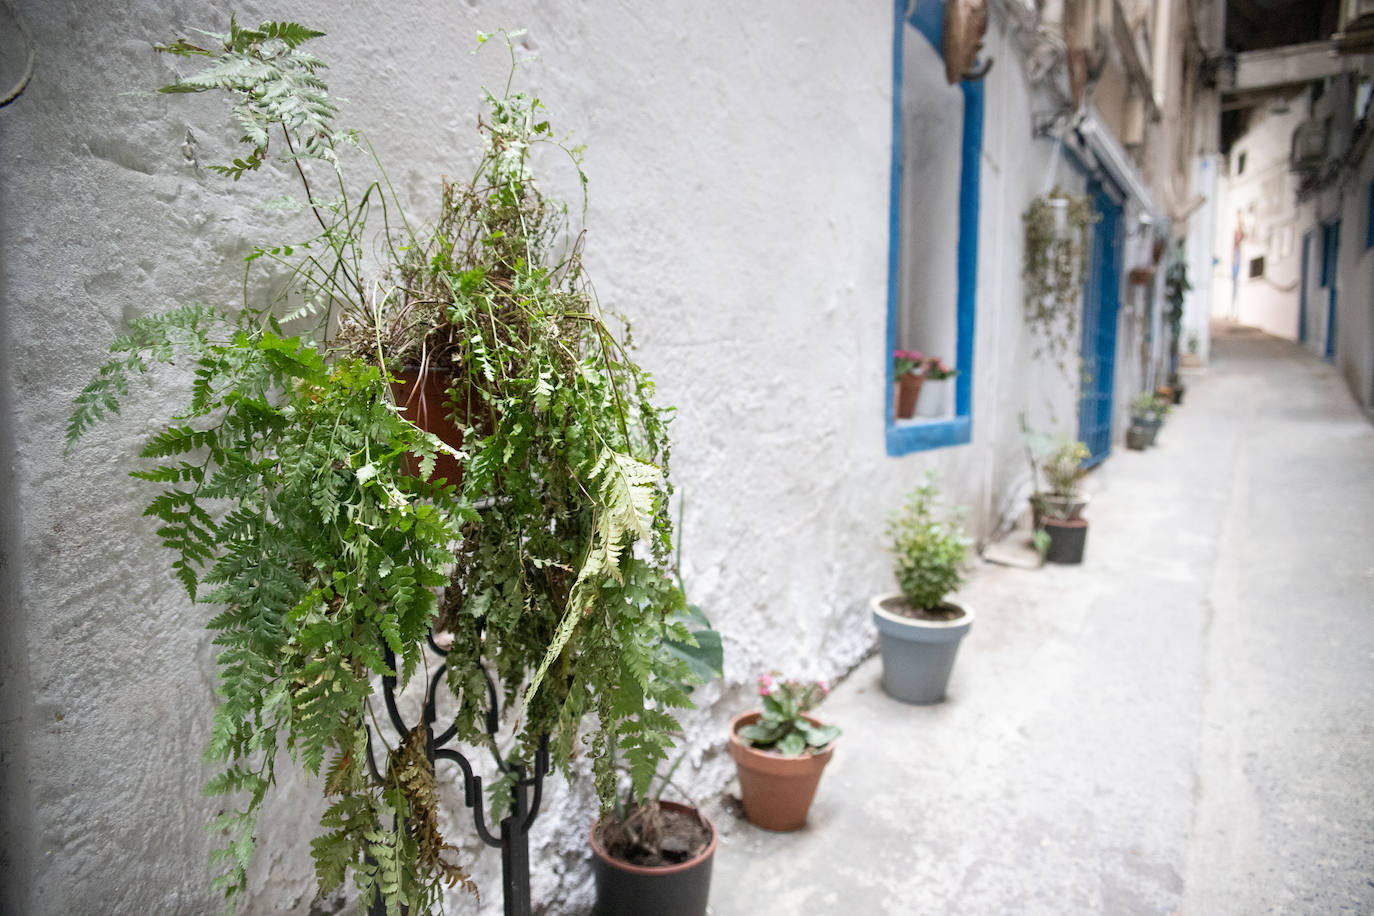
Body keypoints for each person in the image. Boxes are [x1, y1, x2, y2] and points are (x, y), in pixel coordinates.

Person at [1229, 210, 1244, 321]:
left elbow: (1239, 230)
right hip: (1234, 263)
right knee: (1233, 287)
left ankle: (1234, 312)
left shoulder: (1238, 248)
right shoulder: (1234, 248)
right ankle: (1232, 312)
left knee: (1236, 288)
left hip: (1237, 262)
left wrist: (1239, 217)